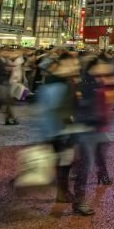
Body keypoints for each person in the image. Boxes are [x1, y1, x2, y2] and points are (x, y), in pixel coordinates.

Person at [72, 61, 114, 216]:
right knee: (86, 166)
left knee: (102, 151)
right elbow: (82, 110)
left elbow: (111, 105)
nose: (104, 71)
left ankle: (103, 175)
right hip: (87, 130)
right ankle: (79, 201)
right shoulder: (86, 87)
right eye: (100, 69)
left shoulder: (105, 85)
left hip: (99, 129)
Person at [37, 53, 80, 205]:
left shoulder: (64, 82)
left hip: (59, 130)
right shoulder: (55, 85)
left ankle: (62, 190)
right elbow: (53, 110)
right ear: (60, 66)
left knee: (65, 161)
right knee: (64, 161)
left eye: (75, 64)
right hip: (58, 131)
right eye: (70, 64)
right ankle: (62, 192)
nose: (74, 67)